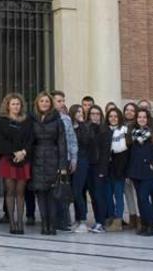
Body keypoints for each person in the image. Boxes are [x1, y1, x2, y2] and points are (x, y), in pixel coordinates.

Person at [0, 93, 34, 234]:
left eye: (18, 104)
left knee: (20, 192)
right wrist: (14, 153)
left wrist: (23, 152)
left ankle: (20, 223)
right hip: (8, 158)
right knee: (10, 191)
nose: (16, 106)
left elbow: (31, 139)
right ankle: (12, 222)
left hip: (24, 158)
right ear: (8, 105)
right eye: (13, 104)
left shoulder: (27, 120)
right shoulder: (1, 120)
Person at [30, 91, 67, 236]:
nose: (44, 103)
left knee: (52, 195)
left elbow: (62, 143)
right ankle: (44, 224)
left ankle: (52, 225)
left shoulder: (58, 120)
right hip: (37, 159)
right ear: (37, 103)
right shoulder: (32, 119)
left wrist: (62, 166)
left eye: (47, 101)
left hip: (53, 157)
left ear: (50, 104)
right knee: (40, 193)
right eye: (42, 101)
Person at [127, 108, 153, 237]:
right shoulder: (132, 134)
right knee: (140, 199)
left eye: (144, 117)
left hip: (148, 172)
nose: (142, 119)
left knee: (144, 198)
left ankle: (151, 225)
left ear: (148, 119)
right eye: (139, 117)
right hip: (135, 171)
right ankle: (143, 225)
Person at [51, 91, 77, 232]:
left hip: (64, 159)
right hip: (50, 159)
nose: (62, 103)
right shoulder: (45, 118)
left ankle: (64, 220)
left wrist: (73, 158)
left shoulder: (66, 119)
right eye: (59, 101)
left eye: (63, 101)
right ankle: (53, 220)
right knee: (52, 191)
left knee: (63, 189)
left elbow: (72, 139)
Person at [68, 104, 95, 233]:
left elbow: (87, 141)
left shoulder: (85, 127)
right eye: (77, 111)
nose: (80, 113)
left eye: (81, 111)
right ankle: (77, 219)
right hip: (70, 161)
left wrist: (82, 124)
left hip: (82, 161)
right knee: (74, 191)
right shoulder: (68, 126)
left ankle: (83, 220)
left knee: (78, 190)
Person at [105, 107, 129, 232]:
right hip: (107, 168)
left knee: (119, 195)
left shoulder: (124, 131)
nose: (113, 119)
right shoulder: (104, 131)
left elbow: (128, 152)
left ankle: (118, 220)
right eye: (110, 116)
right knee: (108, 195)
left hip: (120, 168)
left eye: (115, 116)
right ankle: (110, 217)